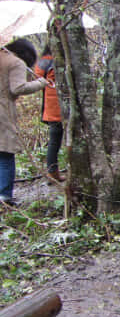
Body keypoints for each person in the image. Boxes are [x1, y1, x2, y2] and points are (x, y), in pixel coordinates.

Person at [0, 39, 47, 205]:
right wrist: (40, 83)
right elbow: (18, 88)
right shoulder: (15, 62)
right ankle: (4, 196)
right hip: (3, 112)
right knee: (5, 154)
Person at [34, 45, 66, 182]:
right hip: (57, 106)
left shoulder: (43, 62)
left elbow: (37, 79)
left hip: (52, 107)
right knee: (55, 141)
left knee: (54, 141)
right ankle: (53, 173)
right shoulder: (54, 61)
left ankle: (53, 172)